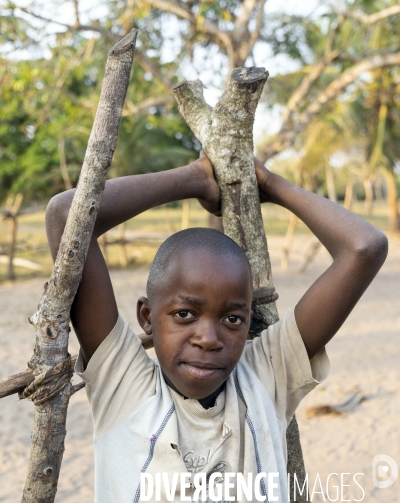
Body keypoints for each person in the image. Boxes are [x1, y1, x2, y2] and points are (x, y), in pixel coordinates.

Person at [46, 153, 388, 503]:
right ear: (147, 316)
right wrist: (194, 179)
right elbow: (66, 215)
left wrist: (270, 184)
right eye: (184, 314)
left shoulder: (267, 377)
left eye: (232, 319)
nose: (208, 339)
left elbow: (364, 248)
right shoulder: (123, 385)